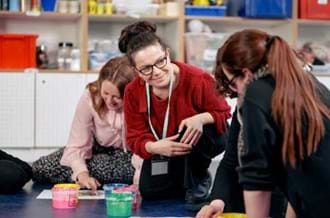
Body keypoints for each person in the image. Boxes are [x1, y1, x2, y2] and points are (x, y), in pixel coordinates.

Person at [200, 29, 330, 218]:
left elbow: (257, 177)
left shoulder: (256, 94)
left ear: (245, 74)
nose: (235, 91)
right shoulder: (309, 85)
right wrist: (218, 199)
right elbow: (302, 169)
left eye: (232, 83)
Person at [118, 21, 231, 211]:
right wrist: (154, 146)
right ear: (136, 70)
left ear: (168, 54)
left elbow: (224, 112)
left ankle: (199, 176)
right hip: (163, 147)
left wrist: (200, 119)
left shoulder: (197, 78)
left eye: (160, 61)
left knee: (197, 131)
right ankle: (183, 178)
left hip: (199, 140)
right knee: (151, 192)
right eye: (146, 68)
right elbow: (134, 137)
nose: (156, 72)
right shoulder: (132, 91)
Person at [32, 56, 141, 190]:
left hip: (131, 155)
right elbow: (77, 144)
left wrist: (138, 182)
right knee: (40, 168)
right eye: (105, 93)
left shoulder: (141, 100)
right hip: (96, 148)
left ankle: (101, 171)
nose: (109, 101)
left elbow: (143, 149)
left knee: (107, 168)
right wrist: (82, 174)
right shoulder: (91, 96)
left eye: (117, 97)